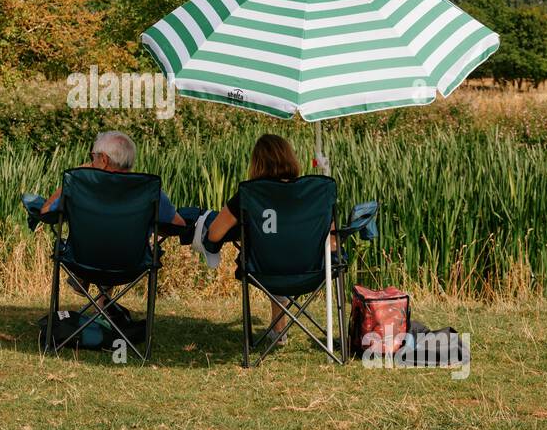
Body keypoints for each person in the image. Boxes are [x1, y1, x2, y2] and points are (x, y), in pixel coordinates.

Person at [39, 130, 185, 317]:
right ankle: (103, 307)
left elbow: (46, 211)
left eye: (93, 157)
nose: (91, 161)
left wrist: (74, 176)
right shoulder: (147, 191)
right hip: (130, 265)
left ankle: (84, 282)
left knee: (98, 238)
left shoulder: (80, 188)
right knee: (116, 239)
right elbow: (179, 225)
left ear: (104, 159)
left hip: (82, 261)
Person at [206, 134, 333, 346]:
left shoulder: (250, 194)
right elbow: (335, 240)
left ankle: (278, 328)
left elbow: (214, 234)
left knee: (273, 254)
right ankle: (279, 328)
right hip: (313, 270)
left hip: (263, 270)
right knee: (283, 251)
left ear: (257, 163)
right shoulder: (313, 193)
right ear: (290, 158)